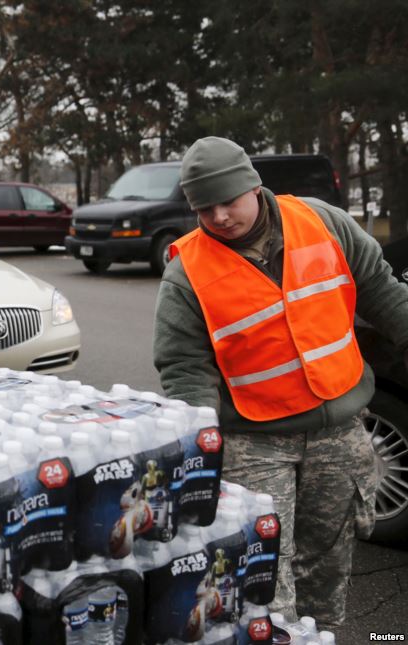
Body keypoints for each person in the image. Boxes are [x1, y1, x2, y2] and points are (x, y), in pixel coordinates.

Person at [153, 136, 408, 627]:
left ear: (253, 186)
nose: (220, 216)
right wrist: (198, 445)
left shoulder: (322, 221)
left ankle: (323, 638)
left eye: (228, 201)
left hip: (339, 430)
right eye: (205, 208)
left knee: (328, 566)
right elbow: (184, 366)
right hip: (255, 441)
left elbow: (379, 287)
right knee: (265, 569)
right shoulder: (188, 272)